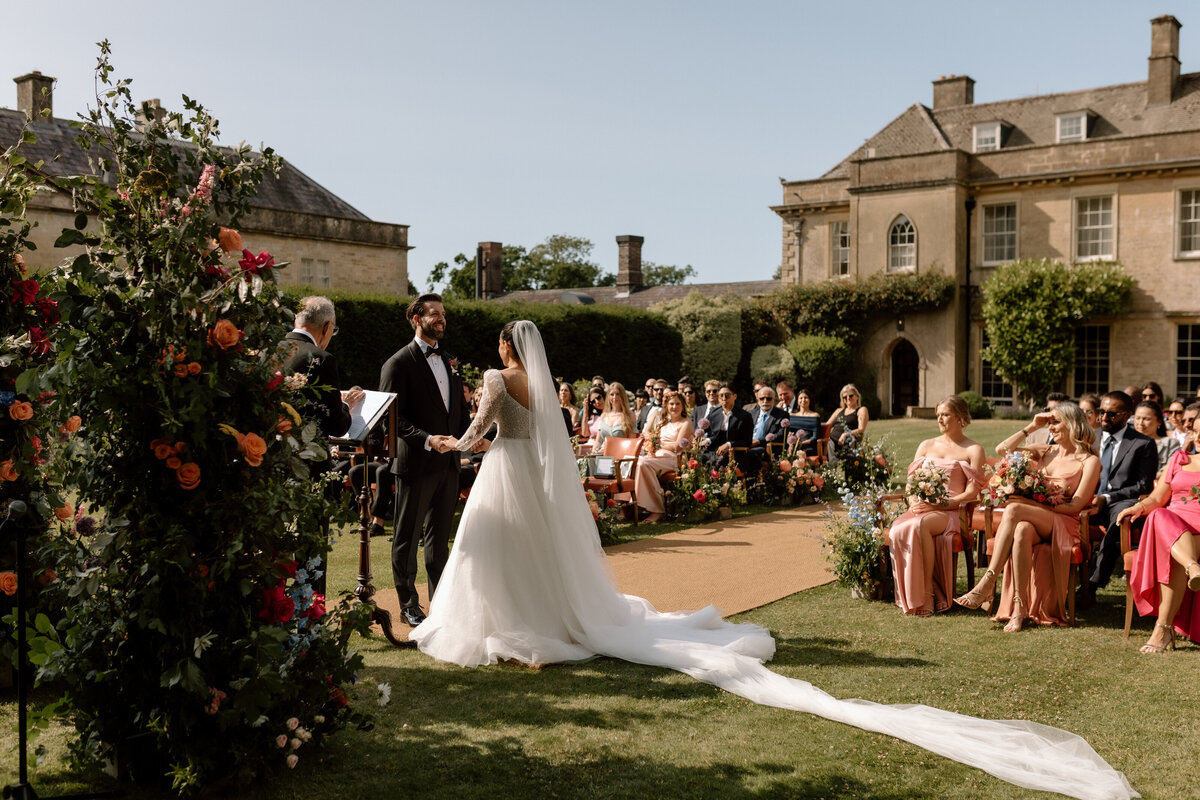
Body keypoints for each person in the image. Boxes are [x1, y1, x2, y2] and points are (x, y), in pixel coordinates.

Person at [408, 320, 1136, 800]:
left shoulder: (500, 381)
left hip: (499, 474)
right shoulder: (540, 390)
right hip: (529, 484)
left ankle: (504, 623)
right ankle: (541, 621)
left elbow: (478, 435)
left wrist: (448, 445)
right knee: (526, 556)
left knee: (488, 554)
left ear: (506, 349)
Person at [955, 403, 1100, 631]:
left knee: (1014, 510)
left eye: (1056, 422)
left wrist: (1034, 503)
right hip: (1035, 518)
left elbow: (1075, 505)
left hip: (1063, 522)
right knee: (1021, 528)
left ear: (1072, 424)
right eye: (1049, 422)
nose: (1051, 427)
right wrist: (1032, 426)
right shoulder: (1045, 451)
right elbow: (1003, 450)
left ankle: (987, 583)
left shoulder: (1089, 461)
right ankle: (1018, 609)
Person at [378, 293, 473, 627]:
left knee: (438, 540)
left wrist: (466, 440)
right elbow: (394, 419)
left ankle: (441, 603)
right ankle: (408, 606)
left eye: (443, 314)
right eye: (434, 314)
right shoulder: (397, 363)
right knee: (406, 537)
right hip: (415, 465)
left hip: (449, 465)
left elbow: (457, 411)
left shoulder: (451, 361)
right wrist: (428, 439)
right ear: (416, 319)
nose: (441, 319)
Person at [889, 396, 986, 616]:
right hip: (922, 508)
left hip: (951, 512)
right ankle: (920, 589)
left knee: (920, 525)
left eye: (945, 414)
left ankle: (928, 594)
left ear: (960, 417)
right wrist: (914, 500)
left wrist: (943, 504)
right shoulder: (926, 445)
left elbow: (972, 492)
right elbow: (911, 484)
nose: (940, 419)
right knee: (897, 529)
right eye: (938, 415)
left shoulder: (973, 449)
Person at [1116, 448, 1200, 653]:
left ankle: (1163, 631)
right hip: (1172, 526)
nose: (1198, 436)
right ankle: (1193, 566)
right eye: (1196, 431)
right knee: (1158, 516)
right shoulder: (1180, 459)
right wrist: (1139, 507)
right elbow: (1157, 499)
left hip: (1198, 530)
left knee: (1171, 543)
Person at [1081, 391, 1157, 608]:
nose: (1104, 418)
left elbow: (1142, 487)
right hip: (1085, 499)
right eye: (1101, 412)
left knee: (1121, 516)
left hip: (1119, 501)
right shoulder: (1089, 439)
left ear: (1127, 415)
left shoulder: (1142, 444)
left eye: (1111, 414)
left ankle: (1091, 585)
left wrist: (1106, 497)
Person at [278, 296, 363, 440]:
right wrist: (345, 404)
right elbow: (337, 426)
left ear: (295, 322)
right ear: (326, 327)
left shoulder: (267, 351)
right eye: (333, 329)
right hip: (307, 455)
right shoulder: (322, 359)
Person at [632, 390, 695, 523]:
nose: (674, 407)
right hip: (656, 458)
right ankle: (632, 505)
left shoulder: (686, 423)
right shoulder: (663, 422)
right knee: (636, 462)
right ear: (666, 405)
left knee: (643, 463)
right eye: (671, 404)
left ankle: (657, 509)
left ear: (683, 406)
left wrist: (658, 444)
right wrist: (656, 443)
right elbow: (647, 434)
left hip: (674, 459)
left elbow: (678, 446)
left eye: (678, 404)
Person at [701, 383, 752, 469]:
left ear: (734, 396)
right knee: (698, 459)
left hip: (734, 452)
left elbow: (747, 442)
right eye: (721, 395)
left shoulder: (745, 416)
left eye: (727, 395)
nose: (724, 398)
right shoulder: (713, 413)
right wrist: (707, 440)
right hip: (714, 450)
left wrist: (729, 444)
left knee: (717, 462)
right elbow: (710, 433)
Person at [583, 382, 635, 453]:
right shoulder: (604, 416)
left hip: (620, 456)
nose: (614, 397)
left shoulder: (630, 415)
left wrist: (607, 451)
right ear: (608, 397)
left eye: (617, 394)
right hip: (602, 455)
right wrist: (595, 450)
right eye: (612, 394)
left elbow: (631, 442)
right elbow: (598, 441)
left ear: (622, 396)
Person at [1132, 400, 1179, 474]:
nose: (1140, 423)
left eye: (1146, 419)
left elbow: (1168, 472)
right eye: (1137, 418)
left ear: (1159, 421)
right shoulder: (1126, 442)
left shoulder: (1170, 444)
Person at [748, 385, 788, 472]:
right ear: (758, 400)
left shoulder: (782, 415)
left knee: (752, 453)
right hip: (747, 445)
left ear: (774, 400)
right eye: (762, 398)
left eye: (769, 399)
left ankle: (754, 482)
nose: (765, 401)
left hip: (766, 448)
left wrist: (759, 441)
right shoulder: (750, 414)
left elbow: (780, 435)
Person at [825, 383, 868, 456]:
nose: (848, 398)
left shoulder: (861, 410)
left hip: (849, 442)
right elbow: (826, 426)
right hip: (832, 442)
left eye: (851, 395)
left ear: (857, 397)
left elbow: (861, 430)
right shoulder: (838, 411)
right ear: (843, 400)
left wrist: (846, 434)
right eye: (845, 397)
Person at [789, 388, 822, 458]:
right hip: (794, 445)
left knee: (799, 453)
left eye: (806, 398)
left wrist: (802, 443)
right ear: (797, 401)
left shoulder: (815, 415)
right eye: (801, 398)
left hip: (809, 446)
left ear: (810, 400)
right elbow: (789, 432)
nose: (803, 400)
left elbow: (815, 437)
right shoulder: (791, 415)